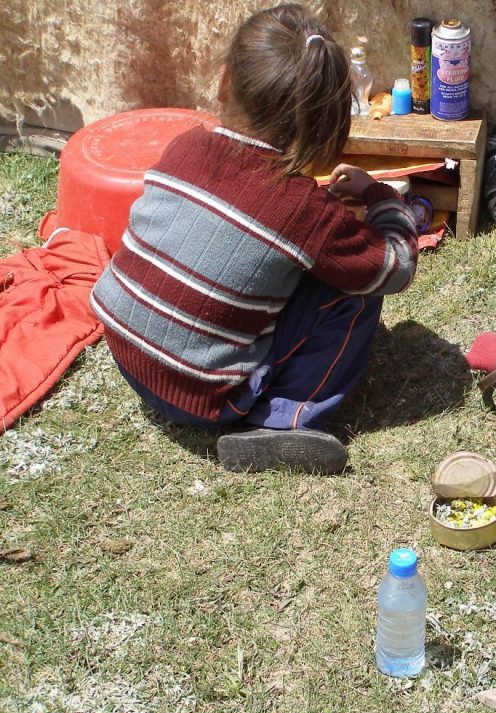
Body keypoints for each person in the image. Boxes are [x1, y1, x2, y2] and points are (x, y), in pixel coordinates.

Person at [90, 4, 419, 474]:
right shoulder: (302, 209)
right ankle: (285, 420)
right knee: (356, 290)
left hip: (127, 355)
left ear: (225, 82)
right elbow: (394, 266)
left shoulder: (185, 145)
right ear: (324, 119)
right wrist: (382, 198)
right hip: (202, 397)